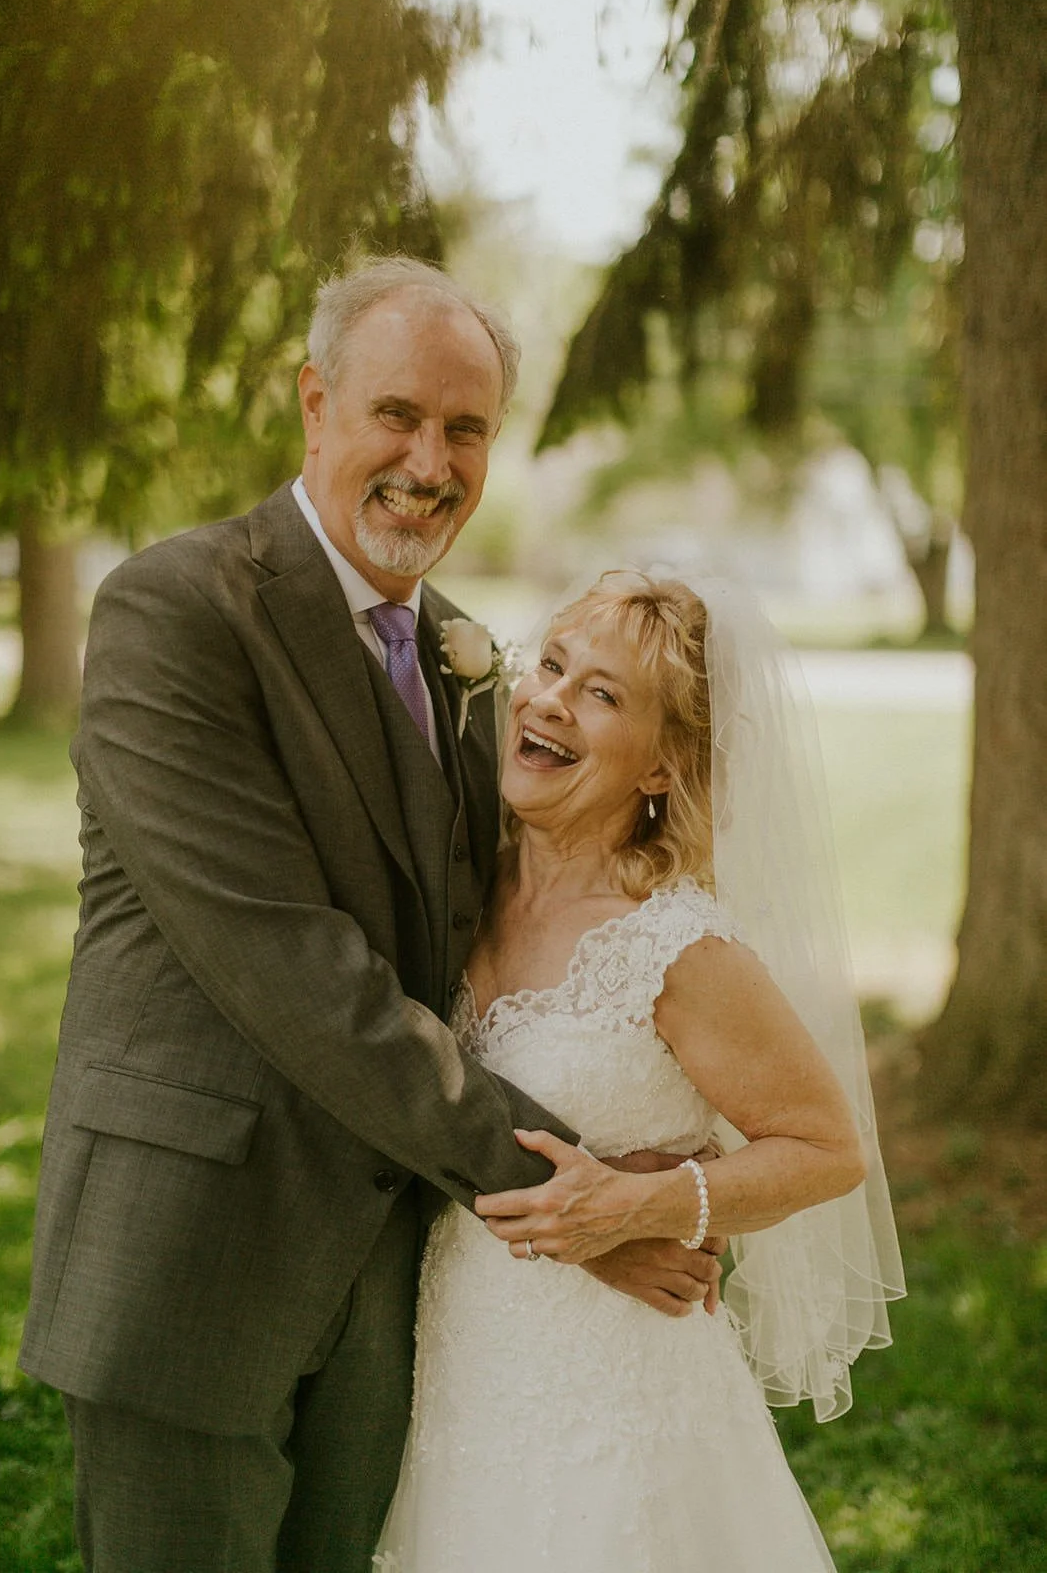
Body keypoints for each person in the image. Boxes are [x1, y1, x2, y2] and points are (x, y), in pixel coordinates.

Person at [18, 263, 721, 1573]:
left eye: (464, 429)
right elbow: (294, 970)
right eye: (396, 414)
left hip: (391, 1290)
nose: (427, 463)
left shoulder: (465, 657)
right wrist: (569, 1196)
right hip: (190, 1262)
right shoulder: (178, 610)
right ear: (313, 404)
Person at [374, 570, 905, 1572]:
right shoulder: (457, 888)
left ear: (661, 766)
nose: (548, 700)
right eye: (551, 665)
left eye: (601, 694)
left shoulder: (674, 945)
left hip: (616, 1397)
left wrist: (642, 1206)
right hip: (462, 1372)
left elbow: (828, 1149)